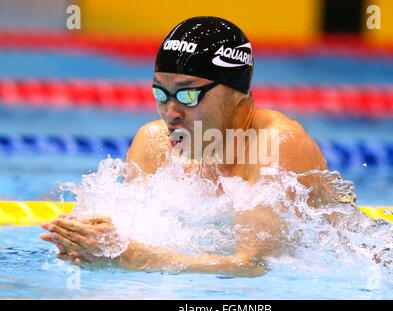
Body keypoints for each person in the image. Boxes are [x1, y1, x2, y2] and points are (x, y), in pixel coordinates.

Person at [40, 16, 328, 277]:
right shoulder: (154, 143)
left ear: (235, 92)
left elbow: (254, 265)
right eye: (161, 94)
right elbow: (138, 232)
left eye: (188, 95)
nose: (170, 112)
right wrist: (93, 239)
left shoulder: (275, 144)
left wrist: (136, 259)